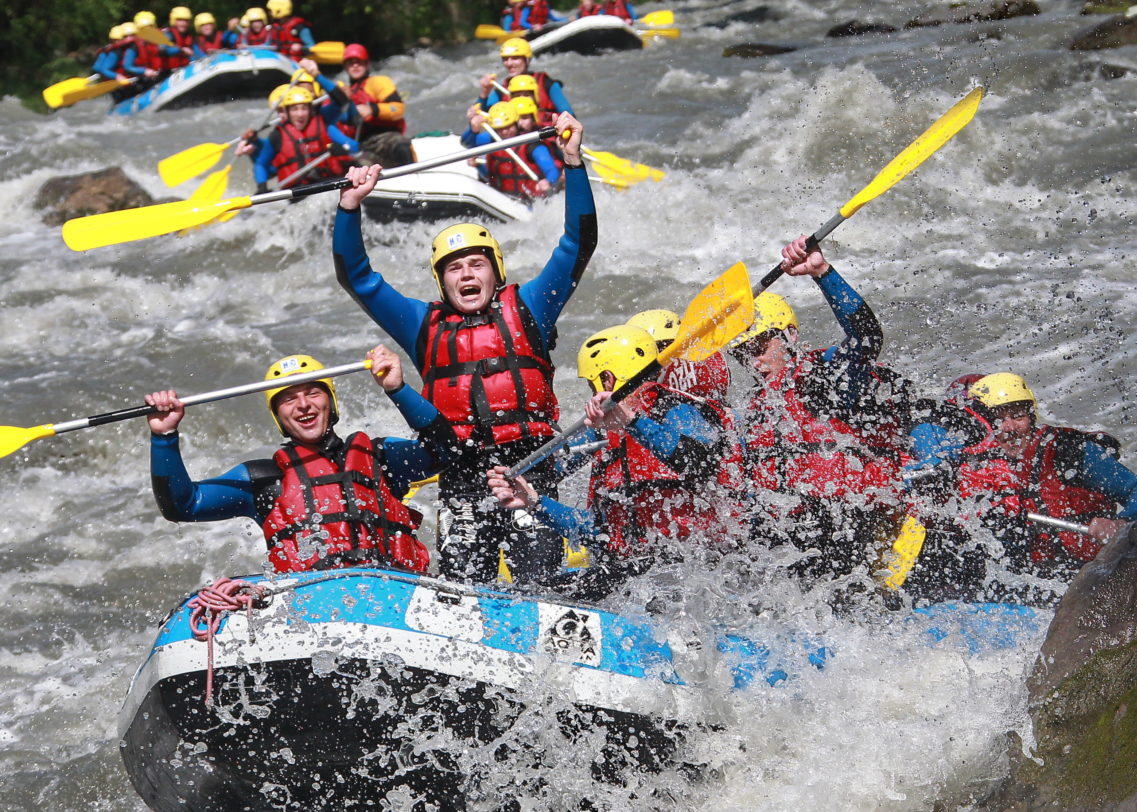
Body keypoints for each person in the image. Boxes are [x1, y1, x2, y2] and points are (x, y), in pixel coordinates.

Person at [333, 110, 595, 584]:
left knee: (541, 580)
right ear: (441, 281)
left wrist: (573, 163)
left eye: (477, 264)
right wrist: (350, 207)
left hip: (532, 467)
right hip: (460, 472)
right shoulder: (420, 323)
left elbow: (577, 243)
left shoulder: (532, 306)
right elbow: (359, 278)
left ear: (496, 271)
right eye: (454, 268)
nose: (467, 274)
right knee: (464, 589)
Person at [486, 324, 736, 599]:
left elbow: (703, 464)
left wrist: (632, 422)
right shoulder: (611, 439)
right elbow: (600, 533)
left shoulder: (674, 409)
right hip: (631, 575)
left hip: (691, 573)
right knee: (527, 595)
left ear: (607, 379)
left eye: (590, 384)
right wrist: (535, 502)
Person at [145, 347, 435, 575]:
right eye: (288, 399)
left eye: (312, 392)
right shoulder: (264, 480)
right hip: (311, 609)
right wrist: (164, 435)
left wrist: (397, 389)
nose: (303, 405)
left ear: (330, 402)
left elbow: (444, 451)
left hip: (395, 594)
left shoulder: (383, 458)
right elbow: (183, 505)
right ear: (278, 416)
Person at [726, 237, 908, 583]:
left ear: (790, 336)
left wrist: (822, 272)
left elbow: (866, 337)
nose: (755, 360)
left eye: (762, 345)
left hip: (848, 534)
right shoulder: (751, 409)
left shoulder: (822, 378)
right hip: (781, 541)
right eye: (744, 352)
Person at [901, 371, 1137, 599]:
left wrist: (1120, 523)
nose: (1011, 427)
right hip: (1026, 578)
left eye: (1018, 416)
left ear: (1031, 416)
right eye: (1000, 419)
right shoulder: (977, 462)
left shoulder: (1068, 451)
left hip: (1084, 572)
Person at [238, 84, 358, 192]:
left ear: (310, 110)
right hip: (299, 193)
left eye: (303, 108)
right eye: (294, 109)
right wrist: (262, 186)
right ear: (287, 112)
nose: (300, 114)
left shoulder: (322, 124)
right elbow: (263, 165)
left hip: (329, 184)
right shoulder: (277, 136)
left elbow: (355, 146)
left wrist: (342, 149)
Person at [464, 99, 560, 200]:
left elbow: (552, 170)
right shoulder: (492, 140)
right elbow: (467, 143)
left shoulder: (531, 146)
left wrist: (548, 181)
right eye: (500, 129)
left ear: (516, 123)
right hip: (499, 198)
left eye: (508, 127)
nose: (505, 132)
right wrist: (478, 164)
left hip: (527, 201)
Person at [336, 43, 413, 168]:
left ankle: (413, 175)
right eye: (351, 63)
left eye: (359, 62)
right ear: (345, 67)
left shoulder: (378, 82)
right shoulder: (345, 92)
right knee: (354, 166)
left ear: (367, 65)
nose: (355, 65)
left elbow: (398, 109)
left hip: (386, 138)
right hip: (364, 147)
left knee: (400, 145)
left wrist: (372, 109)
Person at [478, 38, 572, 117]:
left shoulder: (546, 83)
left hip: (545, 135)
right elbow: (481, 116)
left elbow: (569, 115)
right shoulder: (501, 90)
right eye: (505, 59)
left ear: (527, 60)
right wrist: (485, 92)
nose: (509, 63)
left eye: (515, 58)